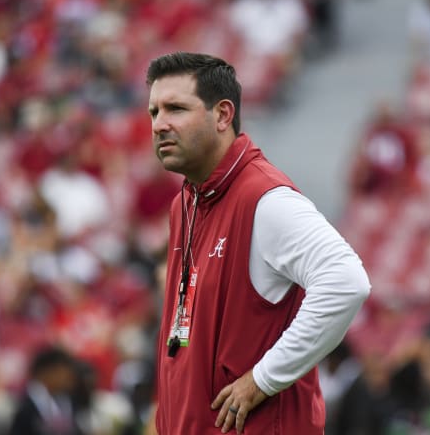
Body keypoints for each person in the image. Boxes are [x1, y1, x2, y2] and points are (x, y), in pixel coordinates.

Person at [146, 52, 371, 434]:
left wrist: (264, 379)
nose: (160, 124)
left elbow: (346, 282)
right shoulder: (184, 204)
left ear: (222, 115)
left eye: (176, 109)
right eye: (153, 112)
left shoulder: (265, 200)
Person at [8, 346, 77, 435]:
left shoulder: (67, 402)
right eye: (63, 372)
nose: (68, 377)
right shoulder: (24, 406)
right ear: (45, 372)